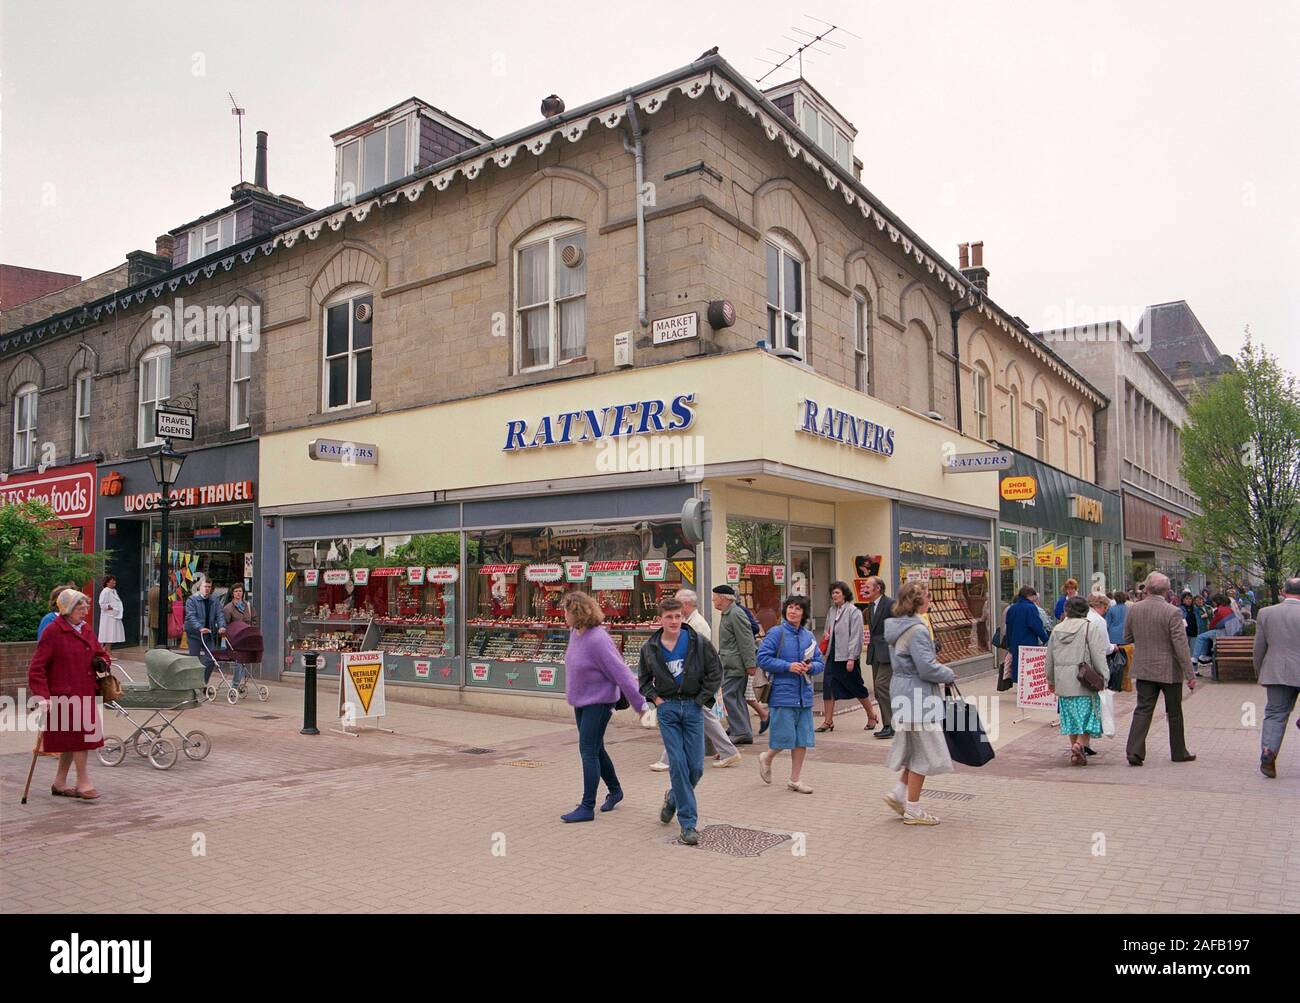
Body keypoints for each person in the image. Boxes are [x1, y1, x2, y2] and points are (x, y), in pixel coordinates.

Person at [638, 596, 723, 846]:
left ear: (683, 617)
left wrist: (701, 700)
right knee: (677, 764)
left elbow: (715, 671)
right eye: (669, 617)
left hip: (693, 708)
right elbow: (643, 680)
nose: (674, 621)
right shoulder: (650, 648)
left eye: (678, 616)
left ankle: (673, 798)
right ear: (660, 619)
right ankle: (688, 824)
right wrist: (656, 699)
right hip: (668, 710)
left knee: (695, 767)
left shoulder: (697, 642)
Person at [558, 591, 649, 821]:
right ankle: (616, 791)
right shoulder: (575, 633)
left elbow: (622, 673)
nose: (563, 615)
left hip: (598, 702)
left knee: (587, 751)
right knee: (596, 748)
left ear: (576, 612)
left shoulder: (598, 639)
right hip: (581, 701)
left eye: (566, 610)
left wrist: (641, 706)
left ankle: (587, 807)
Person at [880, 581, 957, 825]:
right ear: (917, 601)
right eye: (927, 596)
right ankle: (913, 808)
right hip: (918, 694)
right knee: (924, 751)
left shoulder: (896, 626)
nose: (930, 600)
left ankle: (899, 794)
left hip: (902, 690)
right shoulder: (918, 629)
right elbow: (927, 668)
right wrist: (948, 673)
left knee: (914, 748)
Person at [27, 589, 109, 800]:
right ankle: (83, 783)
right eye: (80, 608)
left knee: (73, 740)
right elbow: (37, 668)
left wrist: (103, 661)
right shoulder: (53, 631)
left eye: (86, 607)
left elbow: (100, 653)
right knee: (80, 738)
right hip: (63, 696)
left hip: (85, 691)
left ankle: (59, 783)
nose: (85, 612)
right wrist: (42, 696)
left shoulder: (86, 629)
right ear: (68, 609)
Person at [650, 590, 741, 771]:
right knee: (704, 716)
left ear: (685, 605)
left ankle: (668, 760)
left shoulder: (698, 625)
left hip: (692, 680)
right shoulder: (689, 622)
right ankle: (728, 752)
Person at [1123, 572, 1197, 766]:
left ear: (1146, 588)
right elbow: (1181, 645)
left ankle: (1134, 751)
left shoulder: (1134, 609)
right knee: (1174, 712)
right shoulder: (1172, 612)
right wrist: (1190, 674)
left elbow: (1128, 638)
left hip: (1144, 667)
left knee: (1143, 709)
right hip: (1169, 669)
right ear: (1167, 591)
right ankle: (1179, 752)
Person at [755, 594, 825, 794]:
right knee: (784, 738)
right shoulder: (776, 633)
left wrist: (809, 668)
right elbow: (762, 658)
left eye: (798, 608)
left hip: (804, 694)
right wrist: (788, 666)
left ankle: (795, 779)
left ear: (804, 613)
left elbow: (820, 662)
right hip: (782, 694)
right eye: (790, 607)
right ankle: (767, 757)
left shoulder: (808, 636)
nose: (793, 611)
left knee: (802, 739)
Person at [1045, 596, 1111, 766]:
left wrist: (1050, 679)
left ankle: (1076, 753)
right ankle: (1079, 745)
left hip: (1063, 680)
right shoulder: (1090, 628)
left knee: (1071, 718)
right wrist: (1104, 676)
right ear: (1086, 611)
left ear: (1067, 610)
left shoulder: (1057, 629)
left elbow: (1049, 658)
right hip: (1084, 680)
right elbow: (1098, 655)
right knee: (1088, 716)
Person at [817, 581, 878, 733]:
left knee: (856, 686)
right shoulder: (832, 611)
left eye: (837, 592)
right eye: (832, 593)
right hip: (833, 655)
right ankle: (828, 721)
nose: (834, 596)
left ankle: (871, 715)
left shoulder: (853, 611)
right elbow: (827, 630)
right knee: (828, 686)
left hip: (847, 657)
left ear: (844, 594)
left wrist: (852, 658)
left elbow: (856, 637)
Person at [1254, 578, 1300, 778]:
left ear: (1283, 591)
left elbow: (1259, 647)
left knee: (1275, 714)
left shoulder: (1266, 613)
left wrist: (1259, 672)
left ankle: (1268, 751)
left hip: (1277, 671)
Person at [711, 585, 758, 749]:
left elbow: (746, 640)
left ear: (723, 598)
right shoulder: (728, 613)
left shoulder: (735, 614)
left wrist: (750, 664)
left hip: (736, 664)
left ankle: (740, 731)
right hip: (731, 663)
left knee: (729, 696)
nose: (713, 600)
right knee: (736, 697)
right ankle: (742, 730)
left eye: (715, 597)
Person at [861, 576, 895, 738]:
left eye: (868, 586)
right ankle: (888, 724)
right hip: (875, 653)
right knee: (879, 690)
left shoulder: (890, 604)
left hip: (888, 653)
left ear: (878, 588)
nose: (864, 588)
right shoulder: (870, 606)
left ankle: (891, 724)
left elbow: (897, 626)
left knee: (882, 685)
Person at [1003, 586, 1049, 690]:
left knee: (1018, 667)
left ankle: (1021, 688)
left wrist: (1009, 644)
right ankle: (1027, 690)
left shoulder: (1012, 608)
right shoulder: (1031, 608)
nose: (1035, 599)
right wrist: (1046, 638)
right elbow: (1036, 625)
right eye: (1034, 596)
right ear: (1029, 596)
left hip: (1015, 642)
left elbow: (1008, 626)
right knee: (1029, 667)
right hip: (1028, 641)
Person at [184, 579, 228, 684]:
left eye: (209, 587)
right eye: (205, 586)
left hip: (208, 634)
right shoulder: (192, 600)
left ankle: (202, 683)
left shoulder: (214, 600)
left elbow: (220, 615)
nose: (207, 589)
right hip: (195, 634)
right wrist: (199, 627)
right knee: (194, 660)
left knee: (212, 658)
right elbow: (191, 616)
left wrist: (222, 626)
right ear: (199, 587)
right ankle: (191, 684)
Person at [1191, 594, 1237, 665]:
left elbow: (1213, 624)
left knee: (1200, 637)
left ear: (1217, 602)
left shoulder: (1219, 610)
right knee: (1206, 636)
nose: (1213, 603)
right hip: (1231, 632)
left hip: (1223, 632)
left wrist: (1211, 627)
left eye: (1213, 602)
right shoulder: (1229, 609)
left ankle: (1195, 657)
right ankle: (1204, 655)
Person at [95, 575, 125, 654]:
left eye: (114, 580)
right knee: (108, 634)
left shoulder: (114, 591)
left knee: (112, 634)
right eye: (112, 580)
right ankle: (108, 652)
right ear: (107, 582)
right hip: (109, 616)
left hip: (114, 615)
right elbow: (102, 604)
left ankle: (105, 649)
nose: (114, 582)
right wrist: (110, 608)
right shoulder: (105, 591)